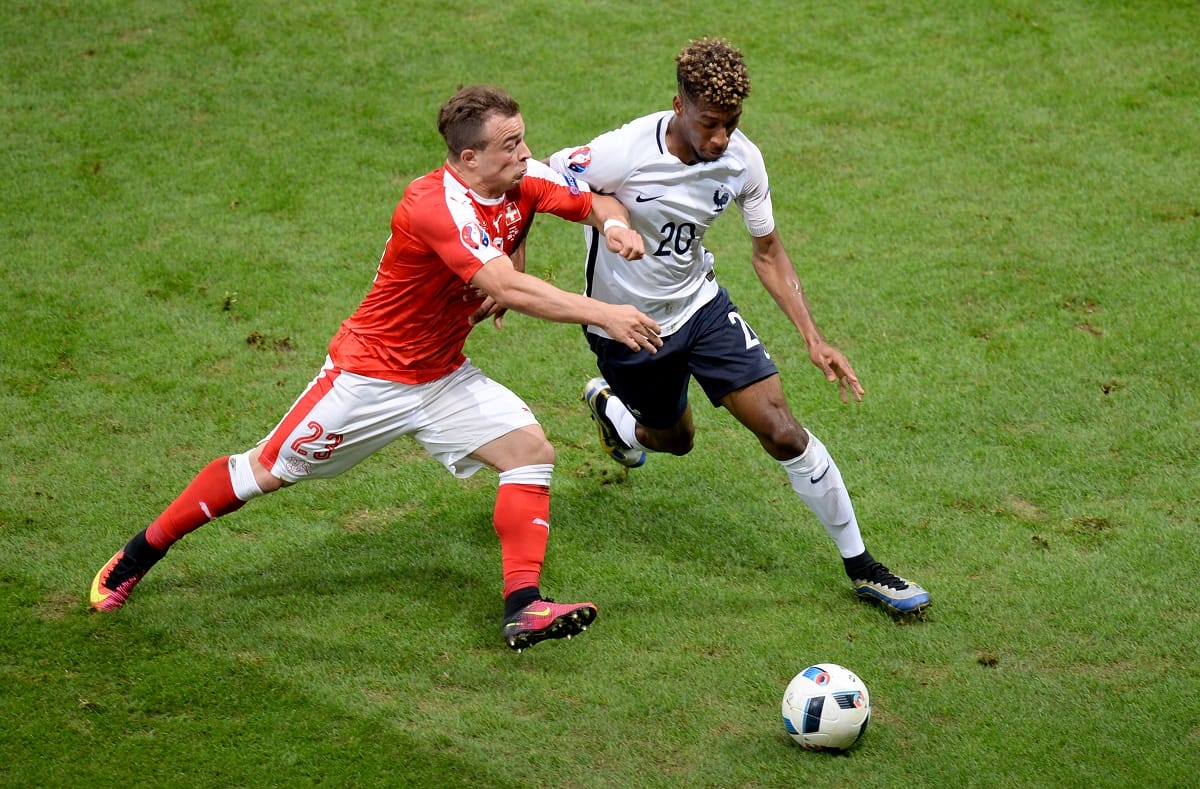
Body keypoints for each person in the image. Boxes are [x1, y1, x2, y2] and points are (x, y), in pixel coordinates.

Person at [90, 85, 664, 652]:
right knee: (262, 472)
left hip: (441, 377)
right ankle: (139, 553)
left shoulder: (522, 177)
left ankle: (524, 607)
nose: (525, 152)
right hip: (369, 377)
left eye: (523, 138)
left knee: (530, 453)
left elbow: (593, 200)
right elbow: (503, 286)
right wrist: (605, 313)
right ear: (470, 159)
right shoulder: (433, 205)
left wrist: (613, 227)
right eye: (511, 144)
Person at [547, 39, 930, 616]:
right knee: (675, 440)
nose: (721, 138)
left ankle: (864, 568)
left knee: (781, 430)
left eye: (732, 123)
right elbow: (538, 181)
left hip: (701, 308)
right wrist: (586, 226)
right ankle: (620, 419)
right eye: (710, 123)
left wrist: (813, 337)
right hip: (628, 328)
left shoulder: (742, 160)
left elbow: (768, 252)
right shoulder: (621, 151)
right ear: (678, 105)